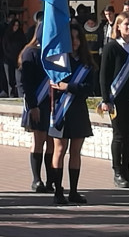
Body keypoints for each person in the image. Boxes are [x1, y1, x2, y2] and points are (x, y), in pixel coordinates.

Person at [98, 12, 129, 188]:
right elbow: (104, 76)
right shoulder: (111, 47)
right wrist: (105, 99)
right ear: (117, 27)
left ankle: (127, 172)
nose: (128, 27)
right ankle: (118, 172)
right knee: (119, 136)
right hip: (116, 99)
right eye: (125, 24)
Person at [49, 23, 94, 206]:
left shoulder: (87, 63)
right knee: (59, 150)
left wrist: (70, 87)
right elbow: (53, 85)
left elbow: (89, 88)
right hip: (61, 110)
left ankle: (74, 191)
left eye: (77, 38)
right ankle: (58, 191)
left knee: (76, 151)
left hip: (78, 111)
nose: (74, 42)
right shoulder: (59, 62)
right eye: (71, 38)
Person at [18, 26, 55, 193]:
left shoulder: (56, 52)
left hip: (53, 104)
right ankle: (37, 179)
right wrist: (33, 106)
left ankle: (51, 180)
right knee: (39, 140)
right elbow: (25, 82)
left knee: (52, 141)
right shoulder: (30, 52)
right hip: (37, 103)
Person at [2, 18, 27, 98]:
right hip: (8, 59)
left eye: (17, 25)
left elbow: (24, 46)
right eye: (14, 25)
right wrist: (9, 55)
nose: (16, 27)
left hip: (18, 60)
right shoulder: (7, 35)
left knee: (19, 79)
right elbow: (4, 47)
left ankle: (20, 95)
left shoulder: (21, 35)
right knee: (10, 79)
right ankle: (11, 95)